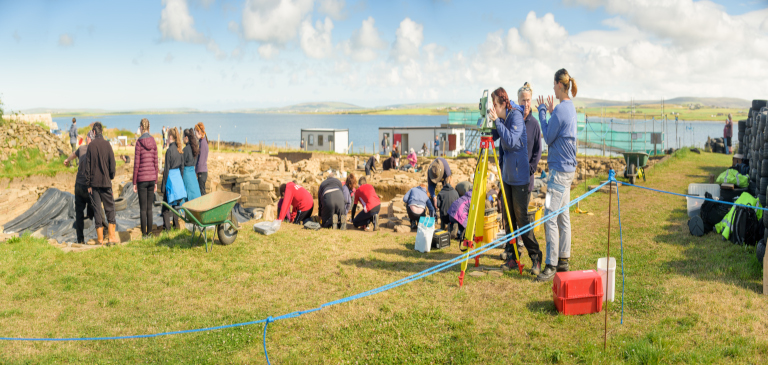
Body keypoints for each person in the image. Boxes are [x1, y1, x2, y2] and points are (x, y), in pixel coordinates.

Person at [488, 86, 542, 275]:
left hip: (521, 179)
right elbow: (498, 139)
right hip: (508, 178)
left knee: (522, 220)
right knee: (509, 219)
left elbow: (512, 141)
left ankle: (536, 257)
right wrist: (490, 123)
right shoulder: (506, 118)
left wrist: (531, 169)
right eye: (523, 100)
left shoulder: (520, 118)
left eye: (495, 103)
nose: (525, 103)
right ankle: (512, 257)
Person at [534, 68, 579, 282]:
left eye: (553, 85)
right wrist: (552, 114)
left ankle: (551, 265)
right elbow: (559, 131)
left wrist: (542, 111)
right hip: (567, 172)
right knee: (563, 216)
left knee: (549, 216)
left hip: (558, 175)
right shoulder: (568, 108)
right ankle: (563, 260)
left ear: (559, 85)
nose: (552, 88)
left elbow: (548, 137)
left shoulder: (561, 111)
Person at [84, 122, 117, 246]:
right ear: (101, 132)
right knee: (110, 209)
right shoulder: (108, 144)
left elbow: (87, 168)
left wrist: (88, 185)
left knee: (97, 210)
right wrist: (111, 177)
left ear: (93, 132)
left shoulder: (90, 146)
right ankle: (112, 237)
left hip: (94, 184)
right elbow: (112, 164)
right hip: (106, 182)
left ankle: (100, 240)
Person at [64, 131, 100, 244]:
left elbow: (73, 154)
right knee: (97, 210)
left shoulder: (81, 148)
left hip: (79, 185)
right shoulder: (95, 150)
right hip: (88, 186)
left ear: (88, 138)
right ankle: (104, 233)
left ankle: (80, 239)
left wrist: (67, 160)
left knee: (79, 214)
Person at [133, 118, 158, 239]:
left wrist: (134, 182)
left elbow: (136, 163)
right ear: (149, 127)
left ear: (141, 128)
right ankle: (150, 233)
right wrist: (156, 181)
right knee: (150, 208)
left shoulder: (138, 142)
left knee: (143, 209)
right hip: (152, 178)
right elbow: (156, 162)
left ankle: (144, 235)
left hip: (142, 179)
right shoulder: (153, 141)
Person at [160, 127, 186, 231]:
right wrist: (180, 180)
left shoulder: (169, 151)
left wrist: (163, 186)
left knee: (165, 207)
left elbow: (166, 170)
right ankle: (176, 226)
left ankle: (167, 228)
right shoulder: (180, 150)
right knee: (176, 205)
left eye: (167, 137)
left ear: (170, 137)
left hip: (170, 180)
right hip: (178, 179)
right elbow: (182, 168)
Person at [182, 128, 202, 202]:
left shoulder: (185, 149)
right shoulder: (194, 148)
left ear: (186, 138)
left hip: (186, 173)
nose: (182, 139)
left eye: (183, 137)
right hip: (192, 174)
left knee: (186, 194)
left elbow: (181, 163)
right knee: (194, 193)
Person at [195, 123, 209, 195]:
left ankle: (206, 206)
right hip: (203, 171)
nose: (195, 135)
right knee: (201, 191)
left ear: (199, 132)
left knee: (202, 192)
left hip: (202, 172)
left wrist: (196, 172)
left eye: (196, 133)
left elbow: (201, 160)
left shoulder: (203, 143)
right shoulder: (203, 141)